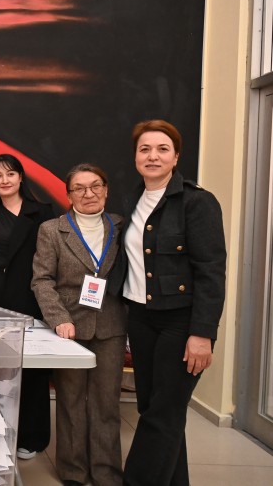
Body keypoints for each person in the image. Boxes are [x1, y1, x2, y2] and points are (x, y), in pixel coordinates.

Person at [115, 120, 226, 486]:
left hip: (181, 322)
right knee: (155, 409)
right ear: (135, 157)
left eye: (162, 149)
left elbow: (211, 272)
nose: (153, 156)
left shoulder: (197, 202)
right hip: (141, 318)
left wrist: (202, 333)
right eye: (145, 149)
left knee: (163, 414)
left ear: (176, 157)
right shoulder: (133, 201)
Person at [31, 163, 126, 486]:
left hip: (111, 327)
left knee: (106, 404)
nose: (89, 194)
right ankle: (73, 471)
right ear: (69, 195)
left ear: (106, 190)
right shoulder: (52, 230)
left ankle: (106, 472)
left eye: (95, 186)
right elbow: (42, 280)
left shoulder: (122, 227)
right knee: (70, 401)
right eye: (80, 188)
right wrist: (59, 319)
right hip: (68, 328)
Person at [0, 154, 55, 460]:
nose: (5, 180)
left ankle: (31, 437)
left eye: (10, 174)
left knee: (33, 370)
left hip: (31, 297)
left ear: (21, 177)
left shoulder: (42, 212)